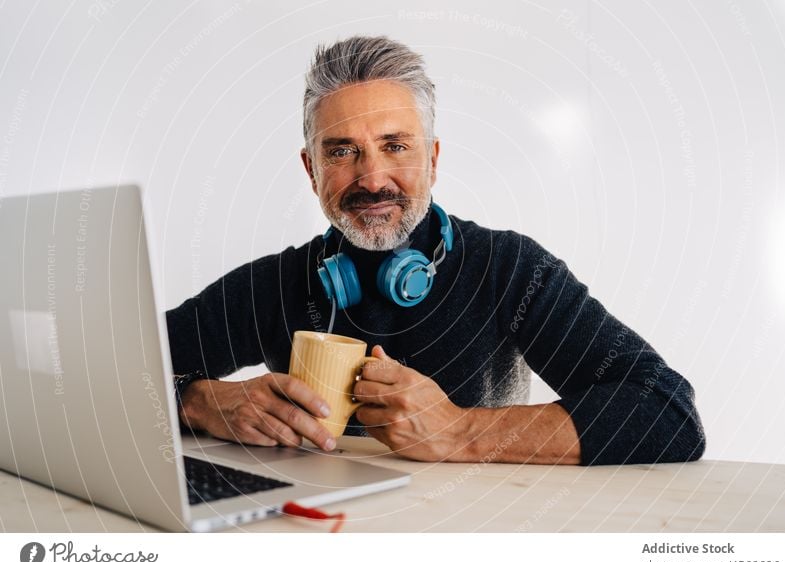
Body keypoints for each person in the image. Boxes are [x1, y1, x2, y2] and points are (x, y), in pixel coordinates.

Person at [167, 35, 705, 465]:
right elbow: (101, 378)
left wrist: (461, 431)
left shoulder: (510, 269)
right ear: (312, 172)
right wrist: (199, 401)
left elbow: (667, 412)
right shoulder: (274, 286)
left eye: (395, 146)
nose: (372, 178)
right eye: (342, 152)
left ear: (432, 158)